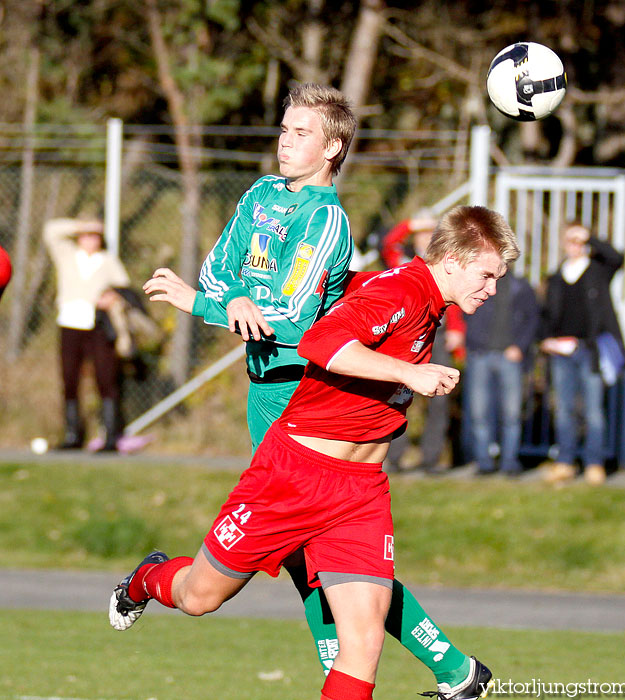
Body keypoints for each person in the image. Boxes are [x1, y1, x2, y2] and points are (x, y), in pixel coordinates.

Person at [142, 84, 483, 692]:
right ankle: (448, 668)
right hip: (263, 396)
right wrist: (229, 296)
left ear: (332, 148)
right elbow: (220, 268)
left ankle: (444, 668)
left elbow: (294, 319)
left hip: (309, 398)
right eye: (283, 129)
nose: (284, 141)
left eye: (300, 133)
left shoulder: (328, 218)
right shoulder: (260, 194)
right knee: (289, 567)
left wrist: (206, 304)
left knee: (330, 571)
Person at [111, 204, 520, 700]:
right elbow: (320, 342)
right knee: (199, 597)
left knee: (365, 641)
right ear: (453, 260)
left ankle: (454, 673)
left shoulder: (421, 295)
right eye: (488, 274)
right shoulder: (403, 292)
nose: (492, 288)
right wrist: (409, 373)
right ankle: (145, 580)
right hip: (293, 476)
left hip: (361, 494)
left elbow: (310, 299)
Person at [540, 221, 625, 485]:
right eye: (570, 240)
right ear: (563, 243)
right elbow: (546, 315)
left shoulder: (597, 271)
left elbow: (617, 258)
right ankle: (565, 462)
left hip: (591, 351)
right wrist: (545, 340)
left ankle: (594, 463)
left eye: (579, 240)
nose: (575, 245)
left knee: (593, 411)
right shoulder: (555, 277)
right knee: (564, 410)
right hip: (561, 352)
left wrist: (590, 237)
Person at [380, 212, 465, 473]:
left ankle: (431, 458)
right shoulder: (402, 261)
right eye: (422, 233)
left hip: (437, 335)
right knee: (397, 395)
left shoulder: (444, 263)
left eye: (431, 233)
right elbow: (387, 243)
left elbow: (455, 298)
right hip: (405, 335)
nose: (426, 238)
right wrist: (408, 223)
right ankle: (394, 456)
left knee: (439, 398)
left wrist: (457, 330)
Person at [43, 216, 130, 451]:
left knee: (105, 377)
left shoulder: (107, 261)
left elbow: (125, 290)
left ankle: (111, 435)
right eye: (86, 235)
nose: (90, 240)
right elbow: (51, 230)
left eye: (95, 235)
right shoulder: (67, 255)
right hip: (70, 323)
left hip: (98, 326)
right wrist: (80, 225)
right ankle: (73, 434)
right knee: (69, 378)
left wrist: (113, 298)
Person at [463, 272, 539, 476]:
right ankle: (484, 463)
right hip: (480, 355)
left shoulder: (520, 286)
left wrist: (520, 346)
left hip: (509, 357)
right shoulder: (475, 282)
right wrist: (471, 342)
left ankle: (509, 462)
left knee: (511, 414)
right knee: (479, 413)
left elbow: (532, 318)